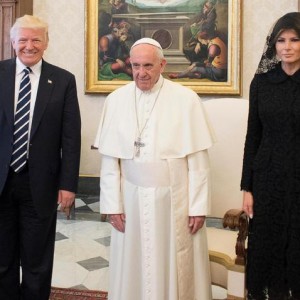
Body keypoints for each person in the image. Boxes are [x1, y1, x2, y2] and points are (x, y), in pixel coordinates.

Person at [94, 37, 214, 300]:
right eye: (135, 66)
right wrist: (112, 205)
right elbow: (110, 161)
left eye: (148, 65)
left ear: (162, 64)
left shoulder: (186, 100)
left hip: (175, 202)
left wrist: (198, 207)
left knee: (174, 263)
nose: (140, 73)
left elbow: (198, 162)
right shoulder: (116, 100)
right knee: (134, 262)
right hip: (131, 199)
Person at [0, 15, 81, 300]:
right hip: (2, 182)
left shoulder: (63, 81)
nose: (29, 46)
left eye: (36, 39)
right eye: (23, 39)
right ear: (13, 43)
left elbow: (71, 139)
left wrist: (68, 185)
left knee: (37, 261)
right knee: (2, 259)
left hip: (42, 185)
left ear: (46, 43)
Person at [241, 12, 300, 300]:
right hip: (267, 180)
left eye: (294, 39)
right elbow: (253, 136)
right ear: (273, 45)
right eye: (281, 40)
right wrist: (247, 187)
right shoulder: (261, 83)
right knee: (269, 246)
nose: (287, 46)